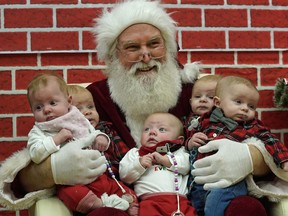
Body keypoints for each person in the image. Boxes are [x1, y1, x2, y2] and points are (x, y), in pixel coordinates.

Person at [0, 1, 285, 215]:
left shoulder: (199, 93)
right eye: (132, 48)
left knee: (245, 208)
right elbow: (22, 179)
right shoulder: (93, 99)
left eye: (154, 44)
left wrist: (250, 158)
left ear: (169, 48)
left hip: (194, 199)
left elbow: (254, 133)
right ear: (113, 56)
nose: (146, 56)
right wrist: (53, 169)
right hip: (121, 202)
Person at [187, 75, 288, 216]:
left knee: (213, 207)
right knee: (196, 208)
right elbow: (185, 139)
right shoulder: (204, 120)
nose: (245, 109)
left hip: (230, 182)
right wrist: (190, 141)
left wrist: (284, 160)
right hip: (200, 181)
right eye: (238, 102)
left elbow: (270, 140)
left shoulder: (252, 126)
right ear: (217, 102)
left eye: (251, 106)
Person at [56, 85, 138, 215]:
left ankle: (132, 206)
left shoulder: (105, 130)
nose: (88, 112)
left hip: (107, 179)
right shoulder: (64, 135)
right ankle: (97, 205)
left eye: (90, 107)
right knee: (67, 192)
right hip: (80, 183)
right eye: (78, 109)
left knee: (126, 191)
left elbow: (125, 157)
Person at [119, 112, 196, 215]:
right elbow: (124, 176)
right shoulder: (136, 153)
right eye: (147, 129)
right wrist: (139, 164)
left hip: (180, 202)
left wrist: (165, 160)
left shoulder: (179, 151)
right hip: (150, 202)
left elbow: (187, 166)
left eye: (161, 129)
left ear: (179, 139)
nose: (152, 132)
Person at [26, 74, 110, 165]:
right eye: (38, 107)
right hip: (65, 175)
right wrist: (57, 139)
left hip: (92, 167)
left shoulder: (77, 118)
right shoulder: (39, 131)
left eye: (52, 103)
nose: (46, 110)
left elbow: (91, 132)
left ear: (69, 101)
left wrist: (100, 137)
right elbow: (35, 155)